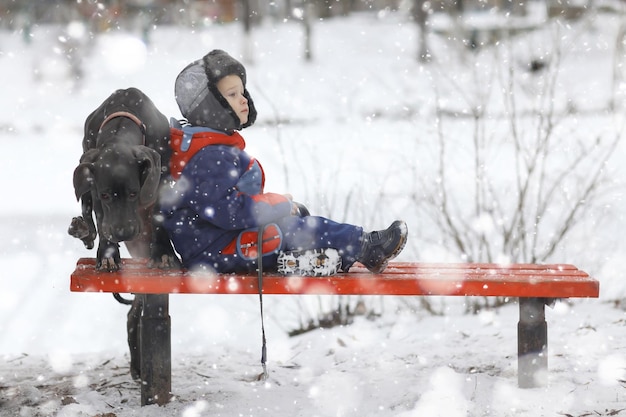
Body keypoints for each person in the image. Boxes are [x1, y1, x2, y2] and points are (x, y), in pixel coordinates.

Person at [159, 49, 407, 276]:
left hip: (217, 244)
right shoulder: (208, 155)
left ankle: (331, 256)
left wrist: (278, 208)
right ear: (211, 106)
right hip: (214, 251)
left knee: (297, 217)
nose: (244, 99)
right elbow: (227, 211)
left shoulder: (208, 147)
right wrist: (275, 205)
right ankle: (366, 246)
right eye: (232, 94)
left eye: (242, 91)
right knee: (294, 229)